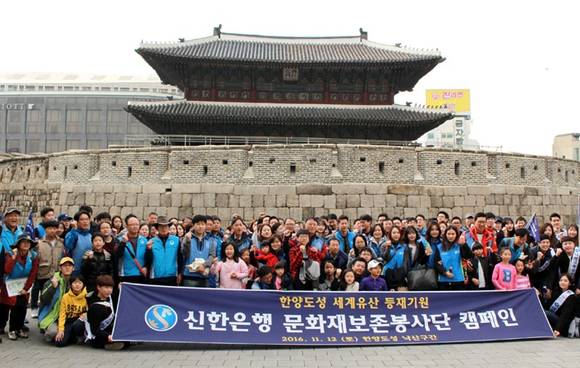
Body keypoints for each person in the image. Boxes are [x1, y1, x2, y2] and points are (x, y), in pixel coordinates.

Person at [0, 235, 39, 340]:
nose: (26, 244)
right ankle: (11, 329)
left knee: (22, 307)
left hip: (24, 284)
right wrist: (13, 258)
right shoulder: (10, 254)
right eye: (23, 242)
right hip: (9, 284)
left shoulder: (34, 256)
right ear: (18, 244)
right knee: (9, 306)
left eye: (28, 242)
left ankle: (19, 328)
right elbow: (7, 270)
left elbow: (33, 273)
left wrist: (26, 288)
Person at [31, 219, 64, 319]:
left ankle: (48, 318)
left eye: (55, 228)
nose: (52, 231)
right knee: (42, 296)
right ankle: (39, 315)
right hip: (42, 273)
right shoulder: (39, 243)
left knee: (51, 298)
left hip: (55, 274)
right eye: (50, 228)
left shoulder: (61, 243)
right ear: (45, 230)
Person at [38, 257, 75, 341]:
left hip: (68, 315)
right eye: (64, 265)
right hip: (53, 316)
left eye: (70, 265)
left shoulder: (75, 282)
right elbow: (44, 299)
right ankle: (47, 328)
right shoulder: (52, 280)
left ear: (73, 268)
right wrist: (53, 288)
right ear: (60, 268)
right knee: (53, 333)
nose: (67, 267)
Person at [86, 275, 125, 350]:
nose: (109, 290)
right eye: (106, 287)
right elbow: (94, 329)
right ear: (98, 287)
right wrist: (107, 336)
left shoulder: (111, 297)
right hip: (99, 332)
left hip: (110, 329)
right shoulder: (94, 306)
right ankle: (106, 344)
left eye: (111, 288)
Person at [145, 216, 182, 286]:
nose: (164, 229)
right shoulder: (151, 241)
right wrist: (149, 250)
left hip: (172, 276)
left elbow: (180, 258)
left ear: (168, 228)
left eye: (166, 226)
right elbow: (148, 260)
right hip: (156, 277)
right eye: (161, 226)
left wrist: (179, 273)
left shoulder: (176, 240)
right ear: (157, 228)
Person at [182, 215, 216, 287]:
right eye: (198, 224)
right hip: (189, 276)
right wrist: (187, 241)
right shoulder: (187, 238)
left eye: (203, 224)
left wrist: (204, 265)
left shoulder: (210, 240)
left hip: (204, 276)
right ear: (193, 225)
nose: (200, 226)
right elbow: (184, 254)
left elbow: (212, 255)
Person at [54, 275, 87, 347]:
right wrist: (61, 330)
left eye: (80, 283)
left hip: (80, 321)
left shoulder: (87, 296)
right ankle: (73, 338)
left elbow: (88, 312)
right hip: (68, 321)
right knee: (59, 343)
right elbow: (62, 314)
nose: (77, 285)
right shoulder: (65, 297)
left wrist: (82, 317)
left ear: (83, 284)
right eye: (75, 283)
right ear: (71, 284)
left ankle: (80, 336)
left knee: (78, 325)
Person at [116, 214, 148, 284]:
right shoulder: (119, 240)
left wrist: (146, 267)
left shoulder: (144, 240)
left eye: (137, 224)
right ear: (127, 226)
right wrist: (123, 243)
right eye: (132, 225)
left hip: (141, 274)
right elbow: (117, 255)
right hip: (125, 275)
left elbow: (148, 257)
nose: (135, 226)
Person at [64, 211, 93, 276]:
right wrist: (74, 230)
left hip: (88, 271)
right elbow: (69, 246)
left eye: (87, 219)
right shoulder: (71, 234)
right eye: (82, 219)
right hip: (75, 271)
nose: (85, 221)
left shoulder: (90, 236)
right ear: (76, 221)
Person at [382, 226, 411, 291]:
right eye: (394, 233)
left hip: (401, 273)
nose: (396, 235)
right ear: (390, 234)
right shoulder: (386, 245)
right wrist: (386, 248)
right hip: (388, 273)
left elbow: (408, 262)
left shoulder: (405, 246)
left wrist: (407, 274)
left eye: (398, 233)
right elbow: (384, 258)